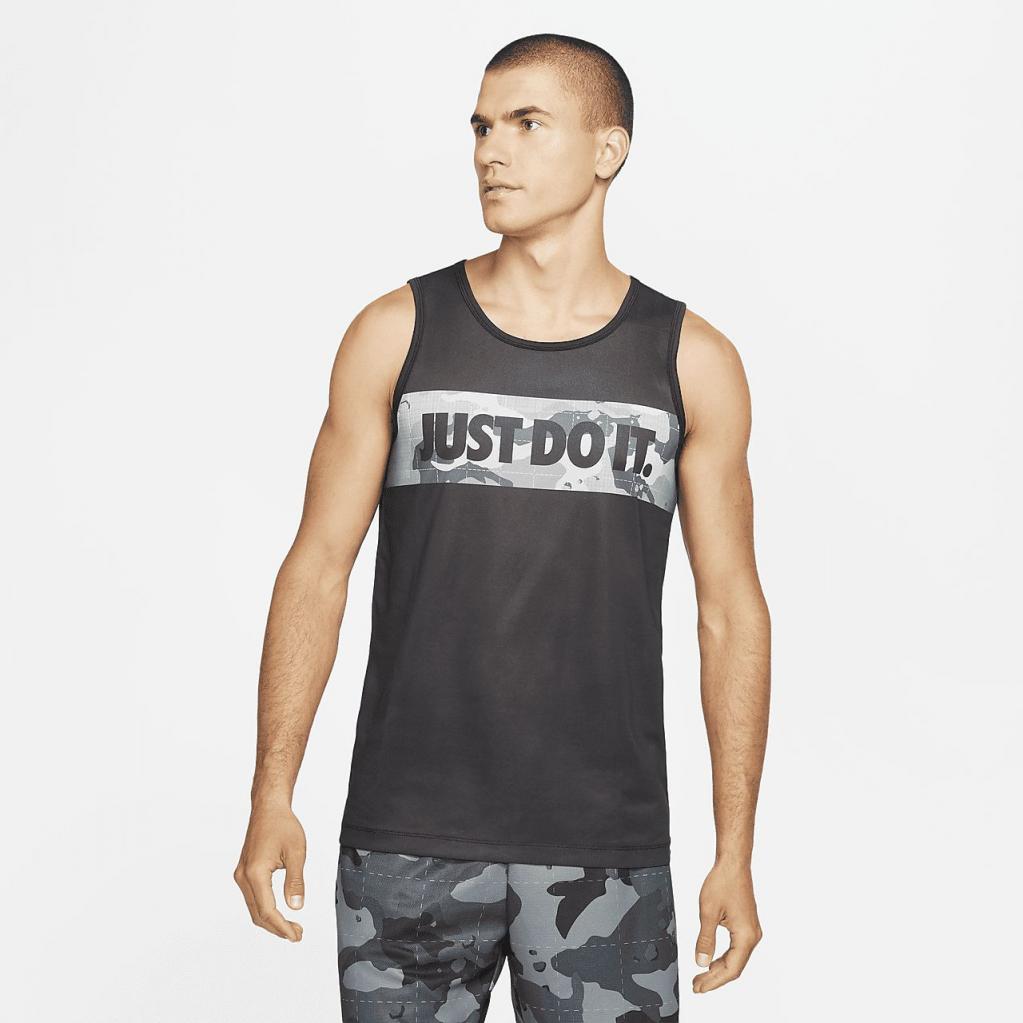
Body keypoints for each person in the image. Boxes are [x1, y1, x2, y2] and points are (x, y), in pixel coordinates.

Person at [234, 32, 770, 1021]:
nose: (491, 150)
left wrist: (735, 851)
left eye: (527, 124)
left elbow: (729, 612)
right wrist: (273, 791)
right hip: (406, 842)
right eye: (482, 127)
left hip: (606, 853)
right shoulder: (396, 333)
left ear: (607, 149)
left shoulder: (690, 362)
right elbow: (317, 567)